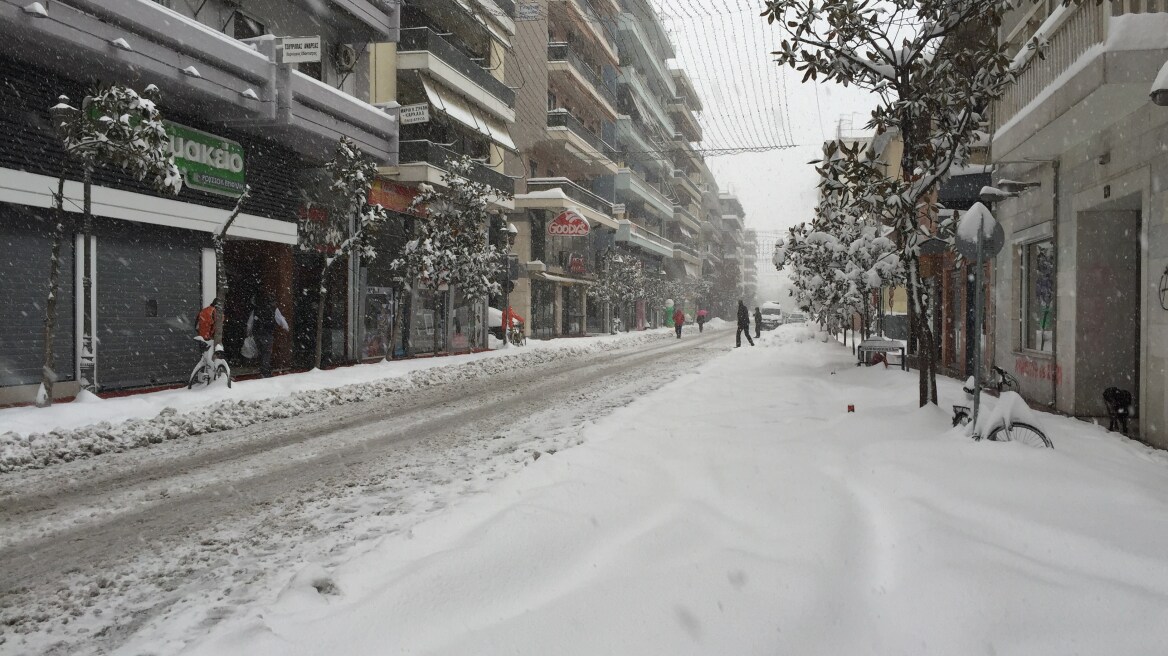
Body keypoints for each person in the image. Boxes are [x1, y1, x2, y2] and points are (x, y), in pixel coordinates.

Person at [247, 292, 289, 377]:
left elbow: (249, 323)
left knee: (260, 352)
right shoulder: (274, 310)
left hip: (257, 334)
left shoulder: (256, 310)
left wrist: (249, 333)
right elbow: (282, 321)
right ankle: (265, 372)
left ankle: (262, 369)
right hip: (267, 334)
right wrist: (286, 328)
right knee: (266, 353)